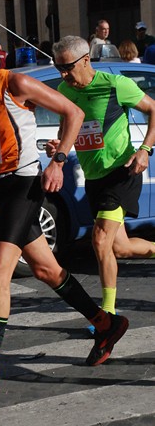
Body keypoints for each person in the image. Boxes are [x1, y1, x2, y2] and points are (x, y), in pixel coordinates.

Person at [0, 23, 129, 403]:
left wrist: (57, 161)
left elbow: (71, 112)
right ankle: (105, 324)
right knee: (46, 269)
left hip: (23, 186)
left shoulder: (14, 85)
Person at [48, 35, 155, 328]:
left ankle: (107, 314)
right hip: (94, 177)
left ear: (85, 61)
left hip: (122, 171)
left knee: (99, 240)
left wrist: (145, 150)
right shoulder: (63, 90)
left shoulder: (115, 85)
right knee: (119, 248)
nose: (63, 74)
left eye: (67, 67)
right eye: (59, 68)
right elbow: (67, 127)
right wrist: (59, 147)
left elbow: (154, 109)